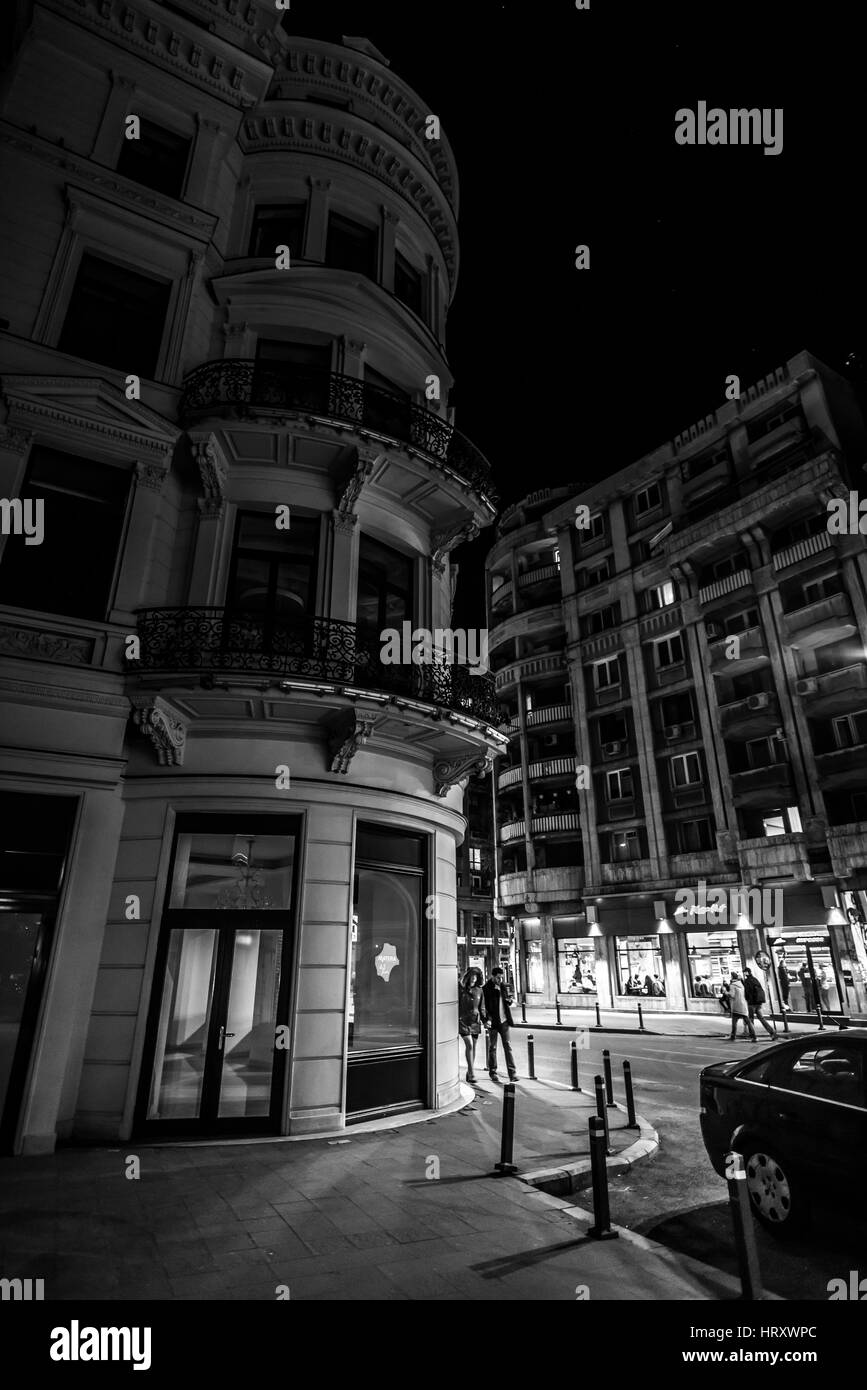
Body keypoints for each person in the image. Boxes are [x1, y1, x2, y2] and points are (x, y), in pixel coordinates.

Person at [483, 967, 518, 1082]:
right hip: (493, 1022)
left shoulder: (502, 986)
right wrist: (486, 1020)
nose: (500, 980)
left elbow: (505, 999)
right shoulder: (487, 988)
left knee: (508, 1047)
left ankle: (512, 1073)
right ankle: (493, 1072)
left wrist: (509, 1000)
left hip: (504, 1021)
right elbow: (484, 1006)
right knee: (492, 1048)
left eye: (501, 977)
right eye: (498, 977)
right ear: (492, 976)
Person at [458, 968, 487, 1084]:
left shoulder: (479, 990)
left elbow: (482, 1007)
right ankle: (472, 1073)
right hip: (463, 1021)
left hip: (475, 1021)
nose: (474, 978)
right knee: (469, 1045)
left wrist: (485, 1020)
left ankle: (470, 1071)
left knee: (473, 1047)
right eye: (472, 975)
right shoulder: (461, 989)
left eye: (476, 976)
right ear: (468, 976)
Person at [743, 967, 776, 1040]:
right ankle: (772, 1032)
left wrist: (747, 999)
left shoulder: (747, 981)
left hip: (751, 1003)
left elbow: (747, 992)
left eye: (744, 972)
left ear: (747, 973)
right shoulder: (755, 979)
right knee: (761, 1018)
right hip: (758, 1003)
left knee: (750, 1019)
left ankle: (753, 1036)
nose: (744, 973)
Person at [728, 974, 756, 1040]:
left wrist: (725, 992)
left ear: (732, 978)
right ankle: (754, 1036)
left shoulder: (732, 985)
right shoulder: (742, 985)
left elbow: (732, 995)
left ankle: (733, 1036)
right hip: (743, 1005)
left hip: (736, 1006)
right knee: (748, 1022)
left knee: (734, 1022)